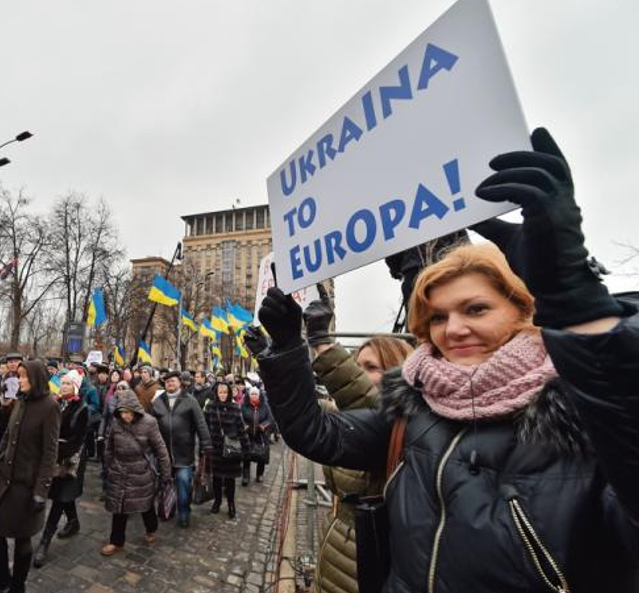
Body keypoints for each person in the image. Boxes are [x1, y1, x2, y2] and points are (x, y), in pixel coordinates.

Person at [252, 128, 639, 593]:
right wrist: (290, 347)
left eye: (476, 309)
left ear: (522, 310)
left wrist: (577, 302)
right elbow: (316, 433)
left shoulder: (583, 415)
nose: (453, 329)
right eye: (436, 317)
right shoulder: (418, 409)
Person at [301, 295, 413, 593]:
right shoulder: (340, 414)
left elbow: (372, 406)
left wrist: (324, 347)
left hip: (371, 566)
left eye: (371, 367)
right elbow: (302, 414)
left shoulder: (409, 424)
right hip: (335, 551)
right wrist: (278, 359)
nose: (361, 373)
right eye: (356, 365)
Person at [0, 359, 60, 593]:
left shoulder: (50, 406)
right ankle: (1, 578)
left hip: (26, 485)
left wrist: (41, 490)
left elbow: (50, 453)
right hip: (3, 480)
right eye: (19, 376)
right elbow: (8, 437)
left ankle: (17, 586)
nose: (19, 380)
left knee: (22, 539)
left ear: (37, 379)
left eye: (24, 377)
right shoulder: (20, 401)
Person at [102, 388, 171, 555]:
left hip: (141, 472)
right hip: (119, 471)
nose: (125, 416)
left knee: (145, 505)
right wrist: (109, 466)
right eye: (122, 412)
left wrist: (165, 475)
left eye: (128, 412)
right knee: (119, 508)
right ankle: (116, 541)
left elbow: (160, 450)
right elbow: (109, 447)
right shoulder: (116, 422)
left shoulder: (149, 422)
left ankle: (151, 528)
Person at [33, 370, 89, 567]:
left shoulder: (82, 408)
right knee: (62, 495)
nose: (63, 386)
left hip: (70, 461)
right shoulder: (56, 403)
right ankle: (74, 522)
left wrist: (54, 450)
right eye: (62, 383)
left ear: (75, 386)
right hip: (53, 457)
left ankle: (45, 542)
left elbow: (76, 441)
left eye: (67, 383)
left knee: (58, 497)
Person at [150, 370, 211, 528]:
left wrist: (206, 445)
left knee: (184, 483)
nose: (170, 383)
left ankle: (184, 512)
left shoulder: (189, 400)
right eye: (167, 381)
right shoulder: (158, 401)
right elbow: (150, 425)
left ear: (180, 383)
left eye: (173, 381)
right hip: (163, 453)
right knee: (166, 483)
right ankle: (169, 507)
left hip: (184, 453)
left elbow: (201, 424)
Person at [205, 381, 249, 518]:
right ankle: (217, 502)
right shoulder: (210, 407)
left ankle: (231, 504)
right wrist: (204, 445)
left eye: (225, 392)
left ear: (229, 393)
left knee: (230, 479)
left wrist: (246, 448)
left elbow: (241, 429)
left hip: (231, 448)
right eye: (220, 392)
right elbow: (205, 427)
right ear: (216, 393)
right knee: (217, 478)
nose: (223, 395)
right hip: (216, 448)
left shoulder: (235, 407)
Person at [241, 386, 272, 486]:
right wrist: (244, 425)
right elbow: (240, 417)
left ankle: (260, 474)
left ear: (259, 395)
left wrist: (263, 426)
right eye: (252, 394)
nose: (254, 396)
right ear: (249, 396)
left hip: (261, 435)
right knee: (246, 456)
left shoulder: (265, 406)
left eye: (255, 394)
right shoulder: (244, 406)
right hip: (247, 435)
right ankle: (245, 476)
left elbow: (270, 419)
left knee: (261, 455)